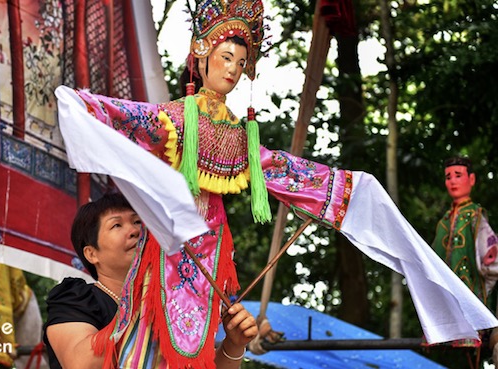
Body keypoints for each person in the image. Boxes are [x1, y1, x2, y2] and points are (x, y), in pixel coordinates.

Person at [55, 0, 498, 366]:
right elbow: (120, 115)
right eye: (226, 56)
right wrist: (78, 104)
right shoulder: (172, 119)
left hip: (211, 261)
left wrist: (342, 189)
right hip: (168, 254)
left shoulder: (242, 138)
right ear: (200, 51)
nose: (232, 69)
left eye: (241, 62)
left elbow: (284, 173)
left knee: (217, 349)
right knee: (146, 345)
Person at [43, 193, 258, 369]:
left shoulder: (172, 300)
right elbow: (80, 364)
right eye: (116, 225)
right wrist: (147, 304)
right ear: (91, 254)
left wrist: (234, 344)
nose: (136, 231)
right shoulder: (76, 297)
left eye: (138, 222)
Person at [431, 157, 498, 350]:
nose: (452, 181)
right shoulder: (444, 221)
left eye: (458, 175)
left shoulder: (475, 215)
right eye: (448, 177)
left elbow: (491, 259)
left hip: (470, 293)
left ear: (472, 179)